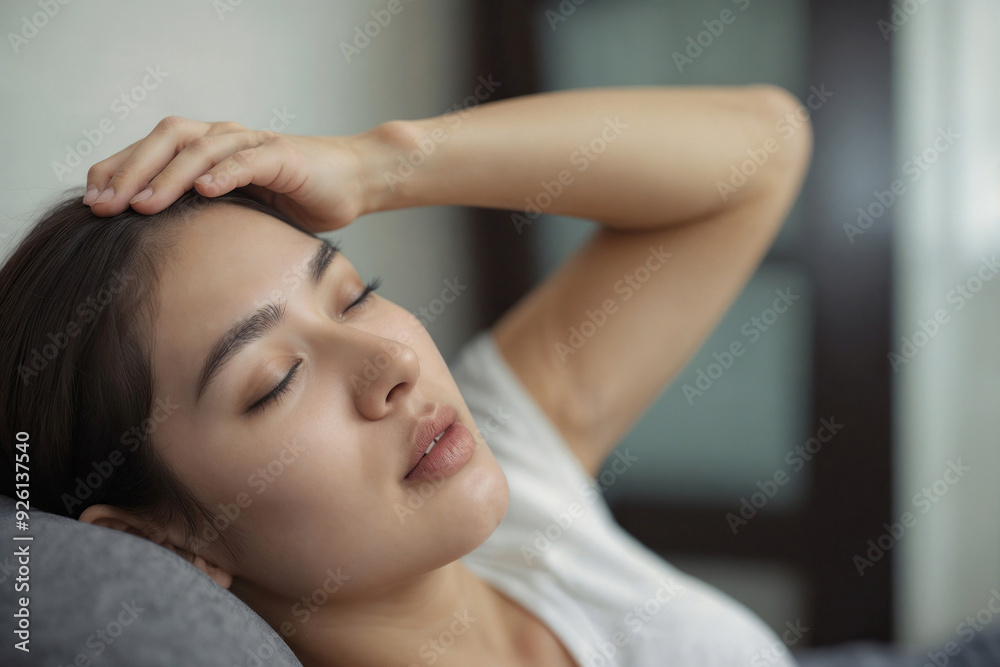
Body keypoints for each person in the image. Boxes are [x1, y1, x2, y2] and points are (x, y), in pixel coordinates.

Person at [0, 85, 814, 666]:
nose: (394, 362)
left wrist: (377, 164)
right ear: (158, 541)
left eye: (355, 296)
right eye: (276, 380)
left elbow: (764, 148)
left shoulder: (514, 469)